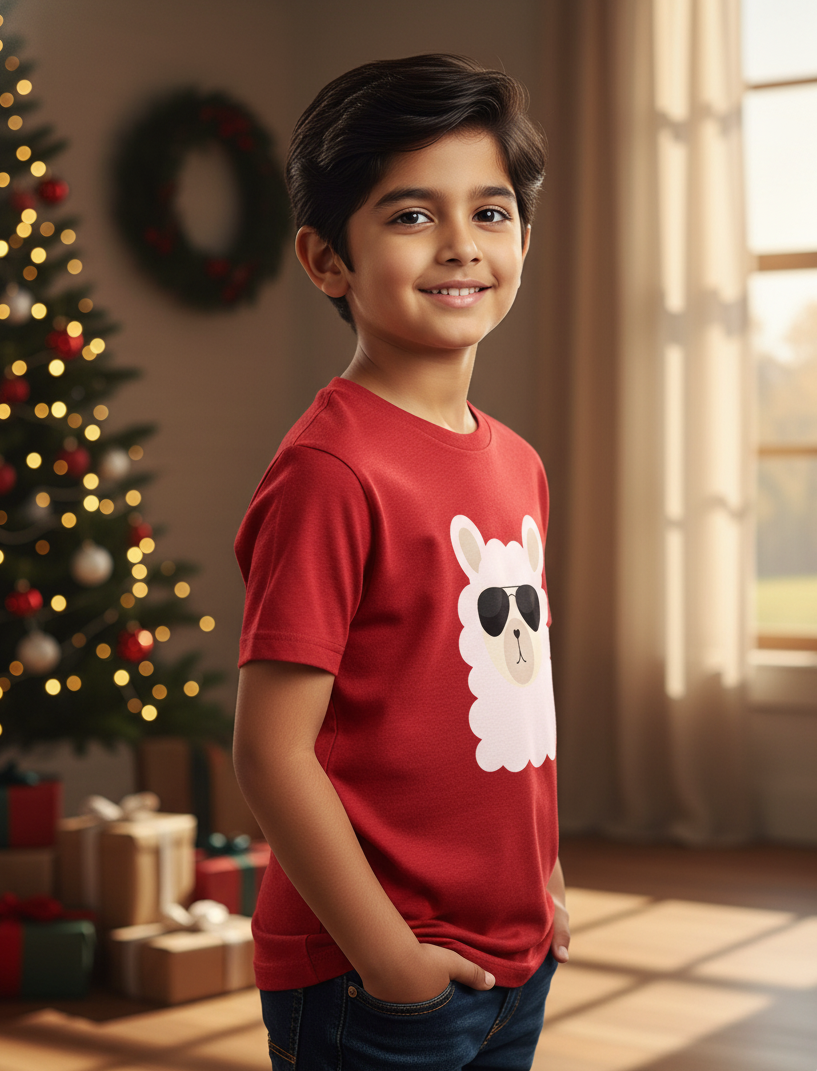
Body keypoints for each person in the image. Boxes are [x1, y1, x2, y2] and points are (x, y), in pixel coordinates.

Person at [233, 53, 569, 1071]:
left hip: (516, 958)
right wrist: (389, 959)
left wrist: (545, 881)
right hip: (374, 981)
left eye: (492, 211)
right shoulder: (330, 471)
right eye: (411, 215)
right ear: (325, 260)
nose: (461, 246)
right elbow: (271, 752)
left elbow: (518, 704)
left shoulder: (515, 463)